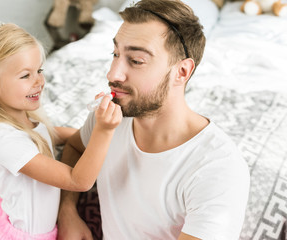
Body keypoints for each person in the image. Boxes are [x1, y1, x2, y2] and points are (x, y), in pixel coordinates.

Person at [57, 0, 250, 239]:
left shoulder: (217, 170)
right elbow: (75, 147)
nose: (112, 74)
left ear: (182, 72)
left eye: (136, 60)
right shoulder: (109, 119)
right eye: (115, 54)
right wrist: (67, 211)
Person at [0, 19, 122, 240]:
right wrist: (103, 130)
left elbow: (58, 134)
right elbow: (78, 181)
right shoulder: (5, 140)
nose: (39, 82)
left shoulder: (23, 120)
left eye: (39, 70)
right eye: (26, 75)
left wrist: (107, 138)